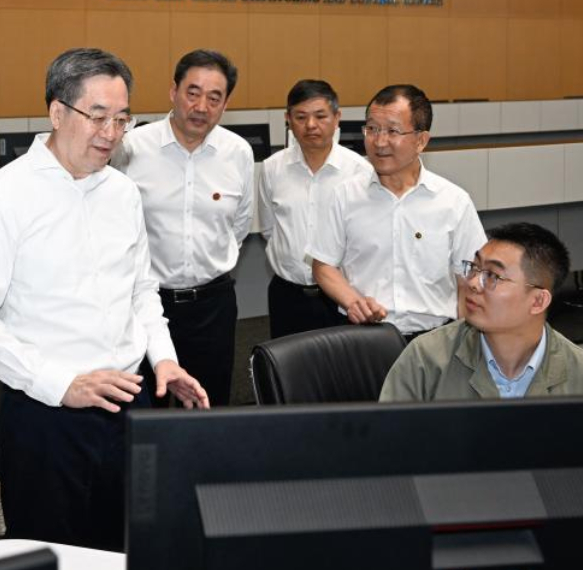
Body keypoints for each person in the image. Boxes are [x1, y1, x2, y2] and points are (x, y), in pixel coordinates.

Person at [0, 47, 208, 551]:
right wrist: (60, 383)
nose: (111, 133)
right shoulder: (6, 196)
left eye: (122, 119)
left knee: (128, 547)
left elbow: (141, 290)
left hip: (130, 403)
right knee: (51, 552)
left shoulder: (122, 192)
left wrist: (165, 361)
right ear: (56, 112)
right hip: (48, 417)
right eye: (98, 117)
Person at [112, 49, 254, 406]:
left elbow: (238, 226)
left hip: (213, 305)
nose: (201, 106)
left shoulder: (238, 152)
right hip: (146, 303)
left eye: (214, 97)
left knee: (209, 404)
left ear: (225, 104)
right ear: (173, 92)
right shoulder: (132, 148)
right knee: (145, 410)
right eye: (193, 93)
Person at [309, 84, 486, 338]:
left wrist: (462, 341)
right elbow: (323, 265)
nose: (379, 142)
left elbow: (470, 280)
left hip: (434, 338)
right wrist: (353, 302)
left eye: (393, 131)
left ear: (421, 141)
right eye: (372, 129)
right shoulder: (345, 195)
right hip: (364, 336)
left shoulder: (453, 202)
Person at [380, 223, 583, 400]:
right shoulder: (426, 359)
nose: (472, 283)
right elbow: (386, 450)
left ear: (538, 301)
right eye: (474, 268)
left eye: (492, 276)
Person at [257, 80, 371, 339]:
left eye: (320, 116)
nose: (311, 125)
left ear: (337, 117)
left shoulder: (360, 171)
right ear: (288, 119)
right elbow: (269, 228)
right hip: (287, 294)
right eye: (301, 117)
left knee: (340, 373)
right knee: (285, 372)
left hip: (341, 297)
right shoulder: (272, 168)